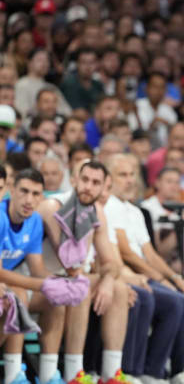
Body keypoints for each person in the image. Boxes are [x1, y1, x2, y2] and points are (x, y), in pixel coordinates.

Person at [103, 154, 184, 384]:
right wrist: (161, 279)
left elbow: (150, 254)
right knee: (178, 302)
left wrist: (176, 279)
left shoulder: (135, 211)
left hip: (149, 275)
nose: (129, 181)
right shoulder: (108, 207)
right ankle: (151, 371)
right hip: (128, 276)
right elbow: (127, 254)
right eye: (122, 175)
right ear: (109, 179)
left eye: (132, 175)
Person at [37, 161, 131, 384]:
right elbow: (69, 264)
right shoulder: (54, 206)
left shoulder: (97, 211)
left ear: (103, 187)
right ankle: (74, 373)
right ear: (74, 180)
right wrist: (101, 277)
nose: (89, 186)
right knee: (82, 285)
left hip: (69, 277)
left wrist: (107, 281)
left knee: (119, 288)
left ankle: (112, 374)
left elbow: (112, 263)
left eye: (96, 182)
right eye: (85, 180)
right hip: (40, 278)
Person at [0, 169, 81, 384]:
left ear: (42, 197)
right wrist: (42, 283)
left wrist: (61, 282)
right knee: (17, 295)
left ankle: (48, 375)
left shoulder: (35, 221)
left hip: (8, 286)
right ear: (11, 190)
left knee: (54, 301)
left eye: (36, 194)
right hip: (4, 287)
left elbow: (37, 269)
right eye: (24, 191)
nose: (29, 200)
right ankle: (13, 375)